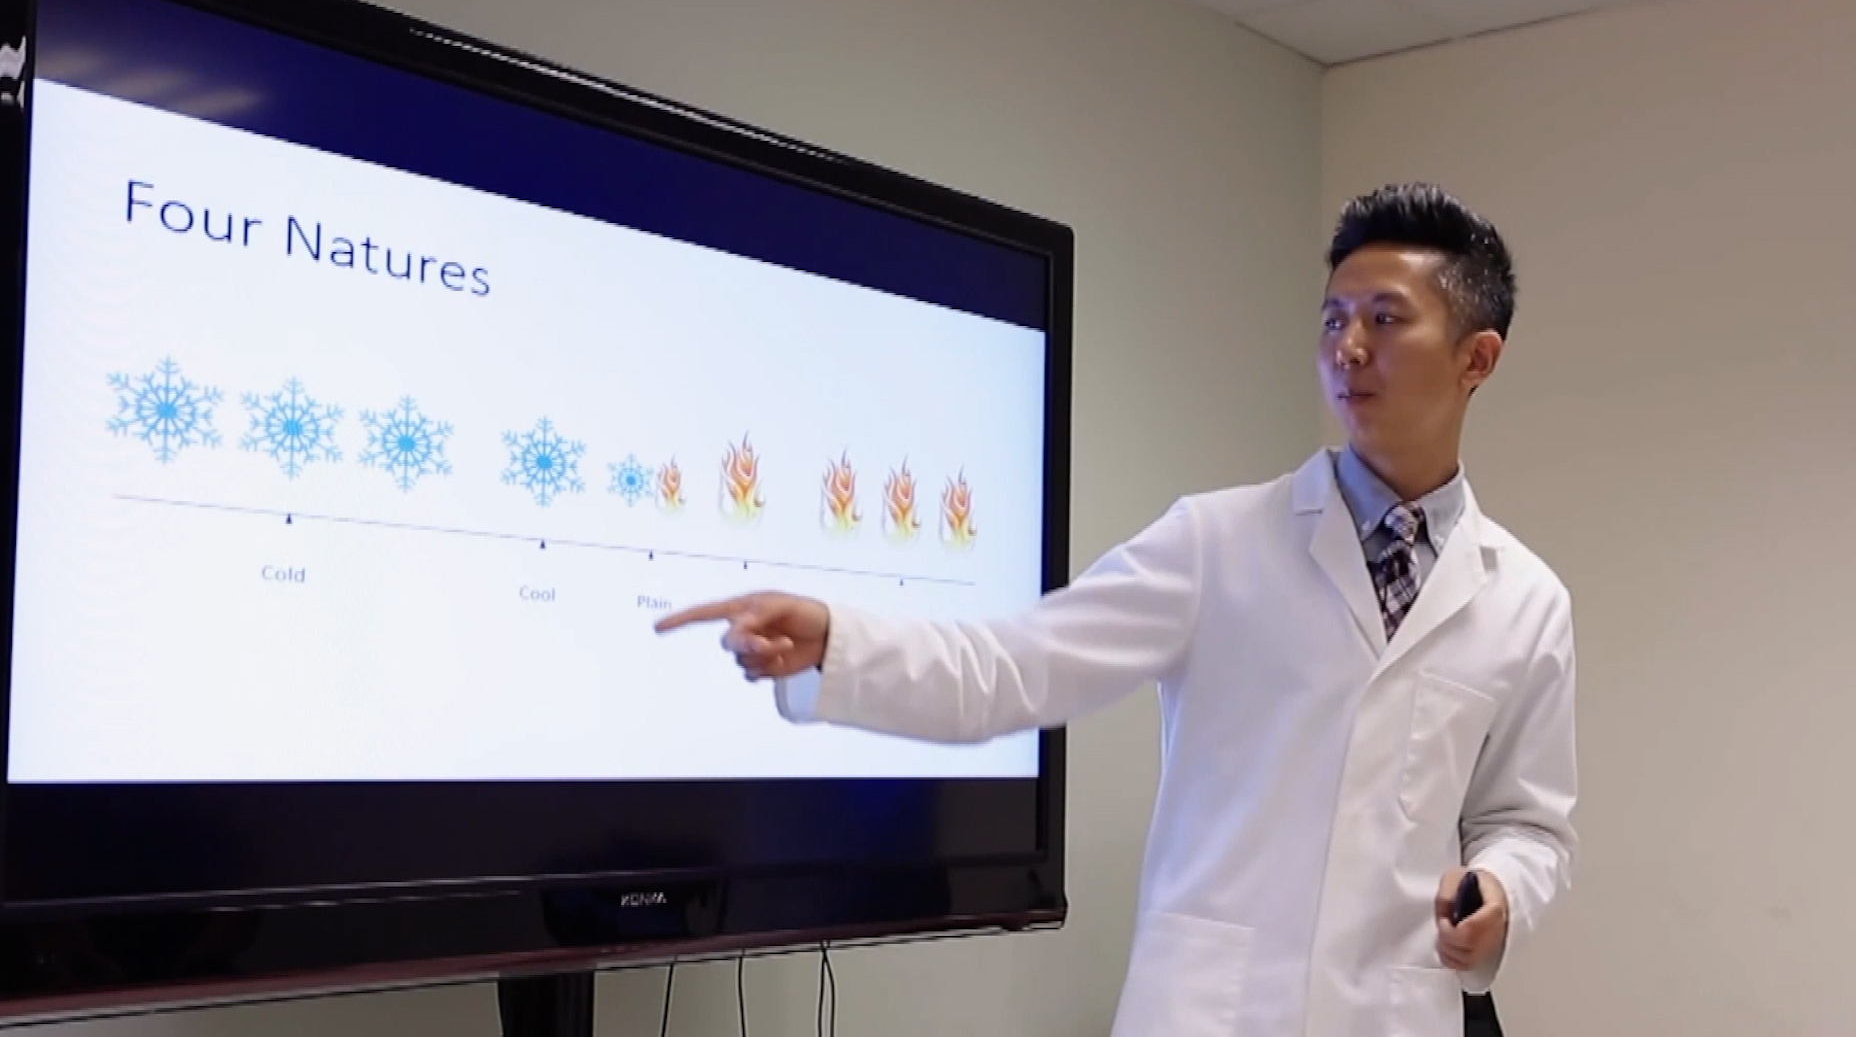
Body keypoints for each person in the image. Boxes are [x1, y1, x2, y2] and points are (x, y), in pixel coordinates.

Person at [656, 182, 1577, 1037]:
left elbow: (1526, 823)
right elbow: (1016, 668)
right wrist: (839, 647)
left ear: (1476, 358)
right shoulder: (1216, 544)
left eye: (1385, 318)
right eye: (1334, 318)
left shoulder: (1525, 603)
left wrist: (1500, 889)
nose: (1349, 348)